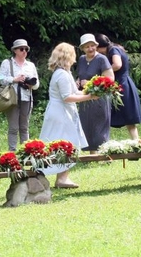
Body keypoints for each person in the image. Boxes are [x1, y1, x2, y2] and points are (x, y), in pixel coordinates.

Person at [39, 43, 96, 188]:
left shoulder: (65, 72)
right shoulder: (61, 74)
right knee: (63, 143)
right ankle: (58, 177)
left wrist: (93, 91)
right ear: (68, 56)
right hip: (60, 113)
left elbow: (75, 93)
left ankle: (62, 177)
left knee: (67, 143)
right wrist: (89, 97)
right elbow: (67, 97)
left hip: (64, 111)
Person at [95, 34, 141, 140]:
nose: (97, 52)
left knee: (128, 115)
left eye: (97, 49)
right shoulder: (114, 48)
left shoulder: (113, 50)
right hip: (119, 84)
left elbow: (117, 65)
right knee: (111, 115)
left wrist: (103, 73)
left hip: (122, 85)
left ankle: (136, 142)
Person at [0, 39, 40, 151]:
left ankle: (26, 152)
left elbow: (37, 84)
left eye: (26, 49)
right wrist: (14, 79)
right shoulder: (7, 63)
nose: (24, 51)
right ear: (15, 50)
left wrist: (31, 85)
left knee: (24, 128)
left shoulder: (30, 65)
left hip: (27, 98)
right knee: (13, 128)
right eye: (22, 49)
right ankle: (12, 153)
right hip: (12, 98)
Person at [76, 33, 114, 153]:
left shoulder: (101, 59)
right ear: (82, 48)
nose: (90, 48)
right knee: (86, 124)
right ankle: (92, 154)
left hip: (99, 98)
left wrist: (90, 83)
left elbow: (110, 79)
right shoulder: (81, 59)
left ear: (96, 46)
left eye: (92, 45)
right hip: (85, 98)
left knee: (99, 125)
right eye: (87, 47)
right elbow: (80, 76)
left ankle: (104, 154)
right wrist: (77, 82)